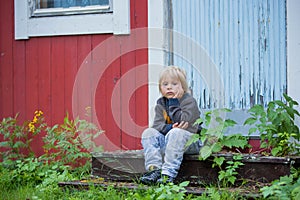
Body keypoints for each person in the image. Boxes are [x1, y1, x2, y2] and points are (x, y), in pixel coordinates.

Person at [140, 66, 202, 185]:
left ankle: (167, 174)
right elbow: (158, 126)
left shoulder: (189, 102)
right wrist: (170, 127)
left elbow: (183, 121)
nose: (169, 87)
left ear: (183, 87)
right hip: (170, 141)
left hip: (191, 142)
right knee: (148, 132)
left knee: (176, 133)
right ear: (160, 88)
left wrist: (174, 102)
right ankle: (155, 170)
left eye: (174, 84)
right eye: (165, 84)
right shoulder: (161, 103)